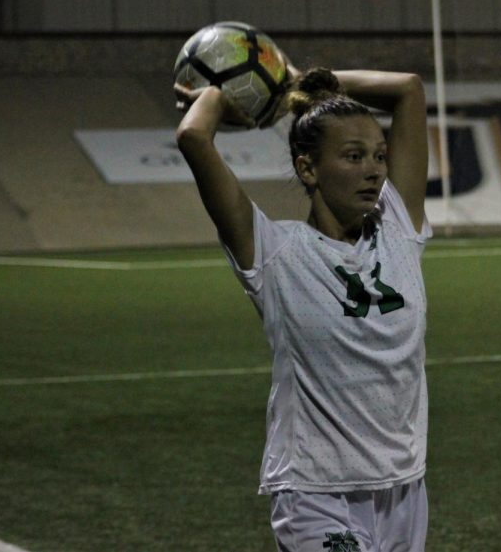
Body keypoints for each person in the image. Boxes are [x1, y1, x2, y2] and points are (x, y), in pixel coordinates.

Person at [174, 65, 430, 552]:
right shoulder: (273, 251)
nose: (375, 169)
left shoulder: (398, 225)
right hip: (315, 492)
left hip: (403, 490)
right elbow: (193, 137)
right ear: (307, 167)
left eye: (378, 155)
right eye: (353, 156)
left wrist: (300, 76)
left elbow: (408, 89)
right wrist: (221, 92)